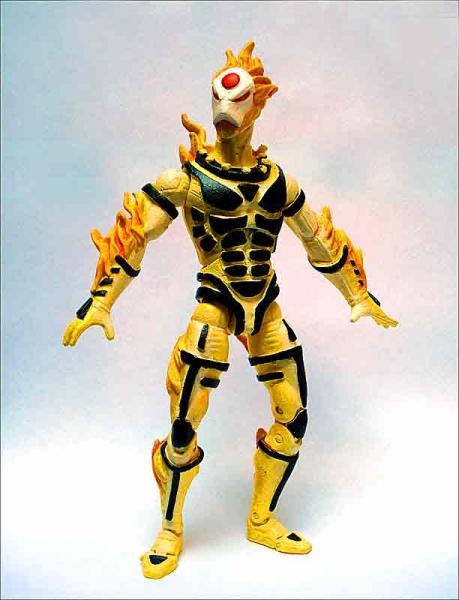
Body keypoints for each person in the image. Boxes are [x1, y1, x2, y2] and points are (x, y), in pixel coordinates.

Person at [63, 40, 398, 579]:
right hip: (215, 305)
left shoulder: (278, 182)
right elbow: (134, 236)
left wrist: (358, 295)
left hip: (266, 307)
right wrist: (101, 300)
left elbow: (320, 241)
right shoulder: (187, 181)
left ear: (257, 106)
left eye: (239, 100)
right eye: (219, 99)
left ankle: (261, 519)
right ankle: (170, 528)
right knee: (183, 426)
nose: (226, 113)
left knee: (293, 416)